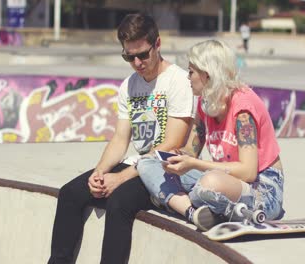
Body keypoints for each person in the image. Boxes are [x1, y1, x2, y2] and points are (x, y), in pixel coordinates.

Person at [48, 13, 194, 264]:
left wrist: (121, 178)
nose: (137, 62)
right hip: (136, 163)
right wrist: (100, 172)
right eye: (129, 56)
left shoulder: (179, 81)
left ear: (157, 44)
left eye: (142, 55)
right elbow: (120, 139)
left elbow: (172, 144)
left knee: (118, 202)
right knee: (70, 193)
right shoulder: (129, 85)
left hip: (166, 169)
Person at [137, 40, 285, 231]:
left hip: (262, 189)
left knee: (207, 185)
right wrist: (177, 157)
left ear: (206, 75)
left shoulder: (243, 109)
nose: (187, 78)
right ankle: (193, 212)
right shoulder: (205, 103)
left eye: (191, 72)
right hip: (226, 181)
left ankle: (177, 201)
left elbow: (248, 172)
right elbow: (192, 149)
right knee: (147, 163)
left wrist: (195, 164)